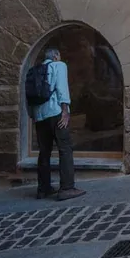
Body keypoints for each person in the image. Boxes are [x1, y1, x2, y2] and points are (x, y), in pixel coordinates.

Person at [30, 45, 83, 201]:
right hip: (55, 112)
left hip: (39, 116)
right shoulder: (58, 65)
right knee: (65, 148)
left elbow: (29, 95)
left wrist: (33, 115)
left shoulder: (35, 70)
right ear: (56, 56)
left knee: (44, 151)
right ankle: (67, 188)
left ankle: (43, 189)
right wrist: (65, 111)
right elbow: (61, 88)